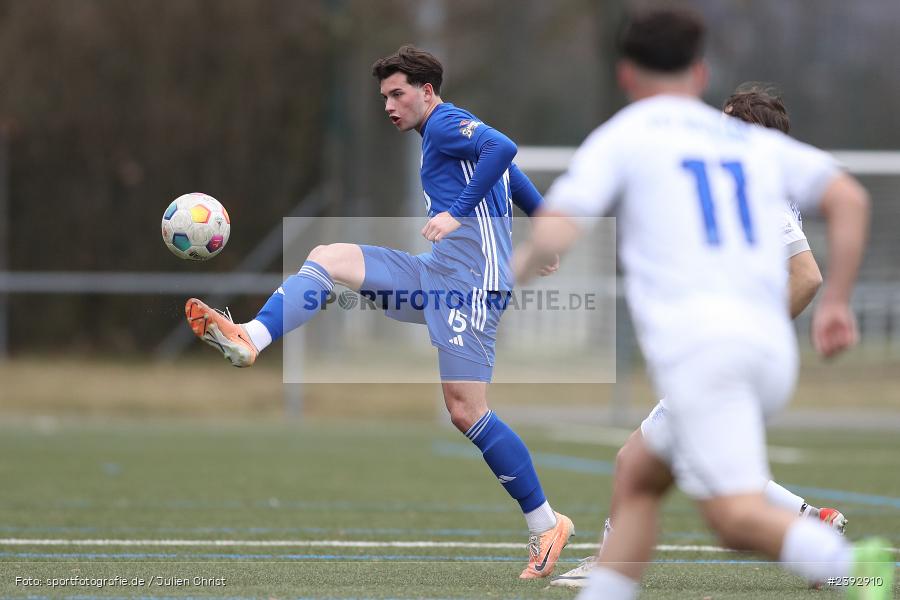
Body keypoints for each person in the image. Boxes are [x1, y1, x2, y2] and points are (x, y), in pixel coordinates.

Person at [514, 7, 892, 600]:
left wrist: (513, 273)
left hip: (706, 347)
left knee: (733, 518)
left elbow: (558, 226)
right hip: (762, 349)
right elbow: (849, 199)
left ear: (626, 76)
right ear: (699, 71)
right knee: (637, 471)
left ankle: (859, 571)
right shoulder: (753, 151)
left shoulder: (632, 133)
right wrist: (838, 303)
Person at [184, 45, 573, 579]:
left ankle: (546, 525)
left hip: (470, 290)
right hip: (436, 276)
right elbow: (517, 178)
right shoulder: (456, 131)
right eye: (383, 97)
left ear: (427, 91)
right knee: (328, 258)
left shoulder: (444, 126)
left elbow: (505, 151)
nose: (389, 105)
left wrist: (459, 215)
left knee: (465, 410)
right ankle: (251, 335)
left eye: (398, 94)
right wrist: (546, 236)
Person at [550, 83, 847, 589]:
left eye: (728, 123)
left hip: (719, 353)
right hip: (718, 351)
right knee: (680, 469)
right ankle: (809, 524)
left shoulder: (753, 187)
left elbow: (808, 275)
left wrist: (756, 325)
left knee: (701, 497)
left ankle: (848, 567)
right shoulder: (743, 188)